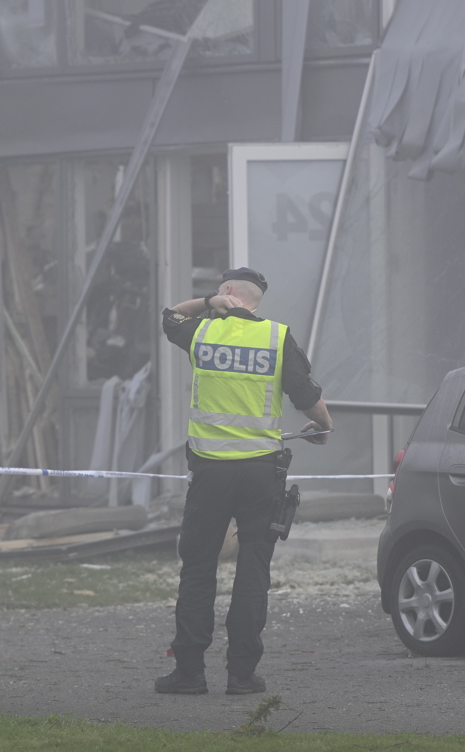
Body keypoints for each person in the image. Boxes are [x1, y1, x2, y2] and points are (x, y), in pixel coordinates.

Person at [154, 267, 332, 696]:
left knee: (198, 568)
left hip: (210, 471)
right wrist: (323, 425)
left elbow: (169, 316)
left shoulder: (203, 333)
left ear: (229, 291)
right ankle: (242, 674)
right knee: (253, 570)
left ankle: (190, 673)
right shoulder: (276, 336)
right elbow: (304, 394)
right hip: (260, 475)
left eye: (221, 291)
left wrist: (208, 303)